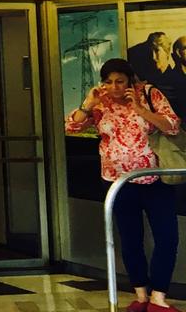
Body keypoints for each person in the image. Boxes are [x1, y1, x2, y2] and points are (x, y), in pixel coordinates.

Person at [66, 58, 181, 312]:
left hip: (156, 179)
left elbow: (172, 126)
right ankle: (140, 294)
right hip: (119, 182)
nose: (115, 87)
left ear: (130, 80)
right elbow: (71, 126)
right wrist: (88, 104)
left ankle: (158, 296)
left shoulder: (150, 94)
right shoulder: (100, 102)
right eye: (109, 82)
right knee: (130, 239)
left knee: (167, 238)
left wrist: (141, 110)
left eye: (120, 81)